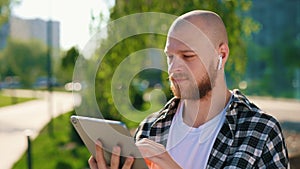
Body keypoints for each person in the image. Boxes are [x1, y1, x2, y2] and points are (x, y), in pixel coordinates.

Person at [88, 10, 289, 169]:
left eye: (187, 56)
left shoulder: (260, 132)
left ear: (222, 54)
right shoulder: (149, 129)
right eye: (170, 56)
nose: (174, 68)